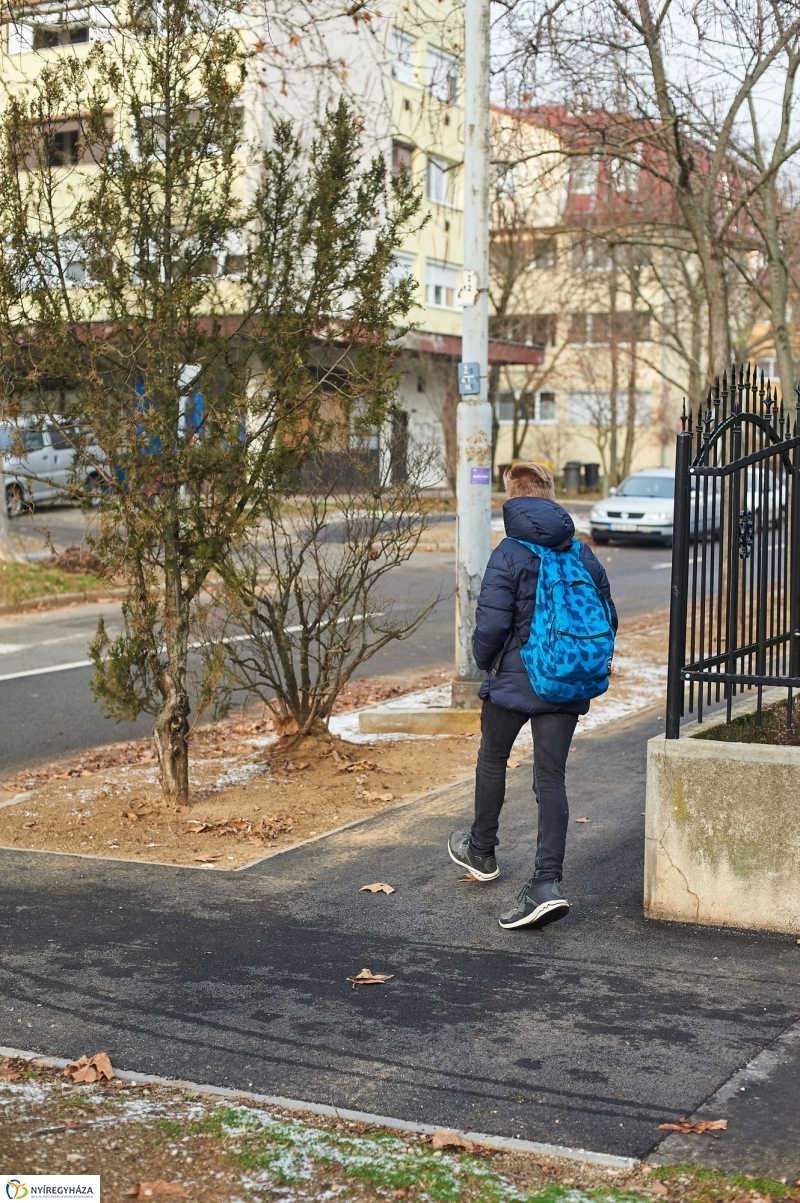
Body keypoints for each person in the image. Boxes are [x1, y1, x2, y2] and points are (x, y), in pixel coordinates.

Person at [448, 462, 617, 930]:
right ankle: (545, 883)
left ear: (513, 498)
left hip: (515, 679)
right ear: (550, 495)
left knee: (493, 757)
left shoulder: (509, 552)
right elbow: (608, 616)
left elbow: (491, 627)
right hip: (567, 680)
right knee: (550, 777)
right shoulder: (581, 552)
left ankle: (481, 851)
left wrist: (487, 664)